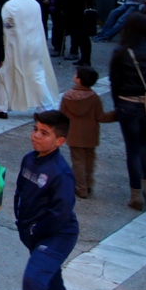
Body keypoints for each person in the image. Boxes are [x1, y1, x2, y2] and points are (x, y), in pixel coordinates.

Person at [10, 110, 79, 290]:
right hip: (33, 233)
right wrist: (21, 223)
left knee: (34, 279)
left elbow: (60, 215)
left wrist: (34, 231)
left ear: (59, 141)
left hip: (56, 236)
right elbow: (19, 192)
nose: (36, 136)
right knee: (52, 282)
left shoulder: (61, 173)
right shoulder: (29, 159)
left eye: (44, 133)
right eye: (36, 129)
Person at [108, 13, 146, 210]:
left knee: (132, 147)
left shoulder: (121, 52)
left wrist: (117, 105)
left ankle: (135, 192)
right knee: (144, 144)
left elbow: (115, 81)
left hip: (127, 103)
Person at [1, 0, 60, 112]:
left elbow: (8, 29)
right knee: (36, 75)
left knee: (30, 76)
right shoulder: (34, 3)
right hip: (35, 45)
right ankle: (43, 105)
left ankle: (46, 106)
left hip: (18, 46)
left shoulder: (9, 6)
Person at [59, 66, 115, 198]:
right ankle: (89, 184)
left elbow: (61, 116)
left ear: (78, 79)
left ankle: (80, 187)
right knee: (90, 160)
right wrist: (116, 115)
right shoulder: (94, 97)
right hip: (91, 134)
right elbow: (100, 117)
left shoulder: (67, 96)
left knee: (77, 161)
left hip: (74, 134)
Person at [63, 0, 95, 67]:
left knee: (84, 37)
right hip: (74, 12)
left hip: (82, 13)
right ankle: (82, 58)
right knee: (78, 36)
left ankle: (86, 59)